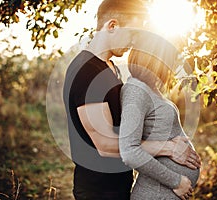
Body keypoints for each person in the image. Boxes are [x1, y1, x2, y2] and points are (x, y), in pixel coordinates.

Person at [63, 0, 201, 199]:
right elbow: (105, 144)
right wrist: (167, 148)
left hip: (117, 186)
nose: (135, 41)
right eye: (134, 33)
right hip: (98, 191)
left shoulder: (109, 67)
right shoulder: (86, 72)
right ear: (112, 26)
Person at [119, 32, 200, 200]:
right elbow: (129, 152)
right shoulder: (136, 90)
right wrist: (176, 181)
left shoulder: (150, 88)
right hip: (155, 193)